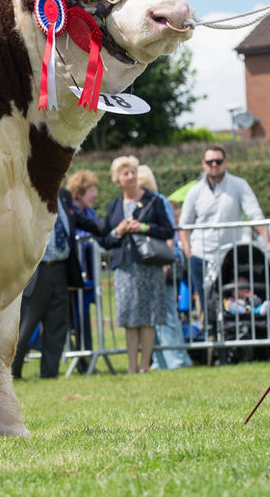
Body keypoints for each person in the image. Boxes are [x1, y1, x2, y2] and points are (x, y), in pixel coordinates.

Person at [12, 188, 101, 379]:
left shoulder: (64, 195)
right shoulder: (27, 190)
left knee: (57, 324)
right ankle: (12, 373)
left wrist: (111, 230)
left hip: (60, 268)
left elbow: (80, 220)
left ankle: (50, 373)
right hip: (36, 270)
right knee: (26, 325)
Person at [99, 156, 175, 374]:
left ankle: (145, 365)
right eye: (125, 173)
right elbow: (106, 239)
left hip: (149, 264)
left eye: (133, 171)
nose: (131, 176)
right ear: (117, 180)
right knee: (129, 317)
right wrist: (119, 231)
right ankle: (132, 367)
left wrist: (143, 228)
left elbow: (168, 230)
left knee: (149, 316)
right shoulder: (114, 206)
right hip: (124, 266)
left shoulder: (154, 200)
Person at [179, 146, 270, 314]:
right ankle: (210, 333)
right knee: (204, 299)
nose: (214, 164)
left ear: (225, 162)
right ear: (203, 164)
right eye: (210, 161)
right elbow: (184, 224)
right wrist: (188, 252)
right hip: (201, 253)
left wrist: (268, 241)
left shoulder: (239, 185)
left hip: (230, 256)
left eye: (218, 161)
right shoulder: (195, 191)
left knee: (230, 298)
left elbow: (255, 214)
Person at [137, 166, 192, 370]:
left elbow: (168, 233)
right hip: (153, 265)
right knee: (156, 316)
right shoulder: (152, 200)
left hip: (163, 264)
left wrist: (166, 265)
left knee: (167, 314)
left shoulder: (157, 200)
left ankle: (176, 360)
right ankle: (162, 361)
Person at [66, 170, 103, 358]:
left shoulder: (90, 212)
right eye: (91, 191)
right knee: (74, 318)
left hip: (89, 273)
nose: (95, 195)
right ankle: (78, 355)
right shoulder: (68, 209)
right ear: (79, 192)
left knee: (85, 316)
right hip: (73, 274)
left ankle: (85, 355)